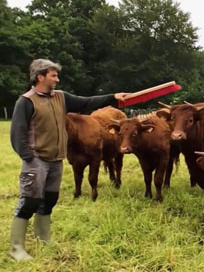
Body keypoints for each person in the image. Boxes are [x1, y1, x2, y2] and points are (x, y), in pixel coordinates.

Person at [9, 59, 128, 261]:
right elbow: (16, 134)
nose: (57, 79)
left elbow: (86, 102)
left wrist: (112, 97)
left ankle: (43, 239)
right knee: (29, 201)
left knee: (50, 200)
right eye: (53, 75)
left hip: (56, 160)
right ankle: (16, 248)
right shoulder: (26, 101)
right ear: (40, 77)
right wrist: (29, 158)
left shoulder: (61, 97)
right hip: (36, 160)